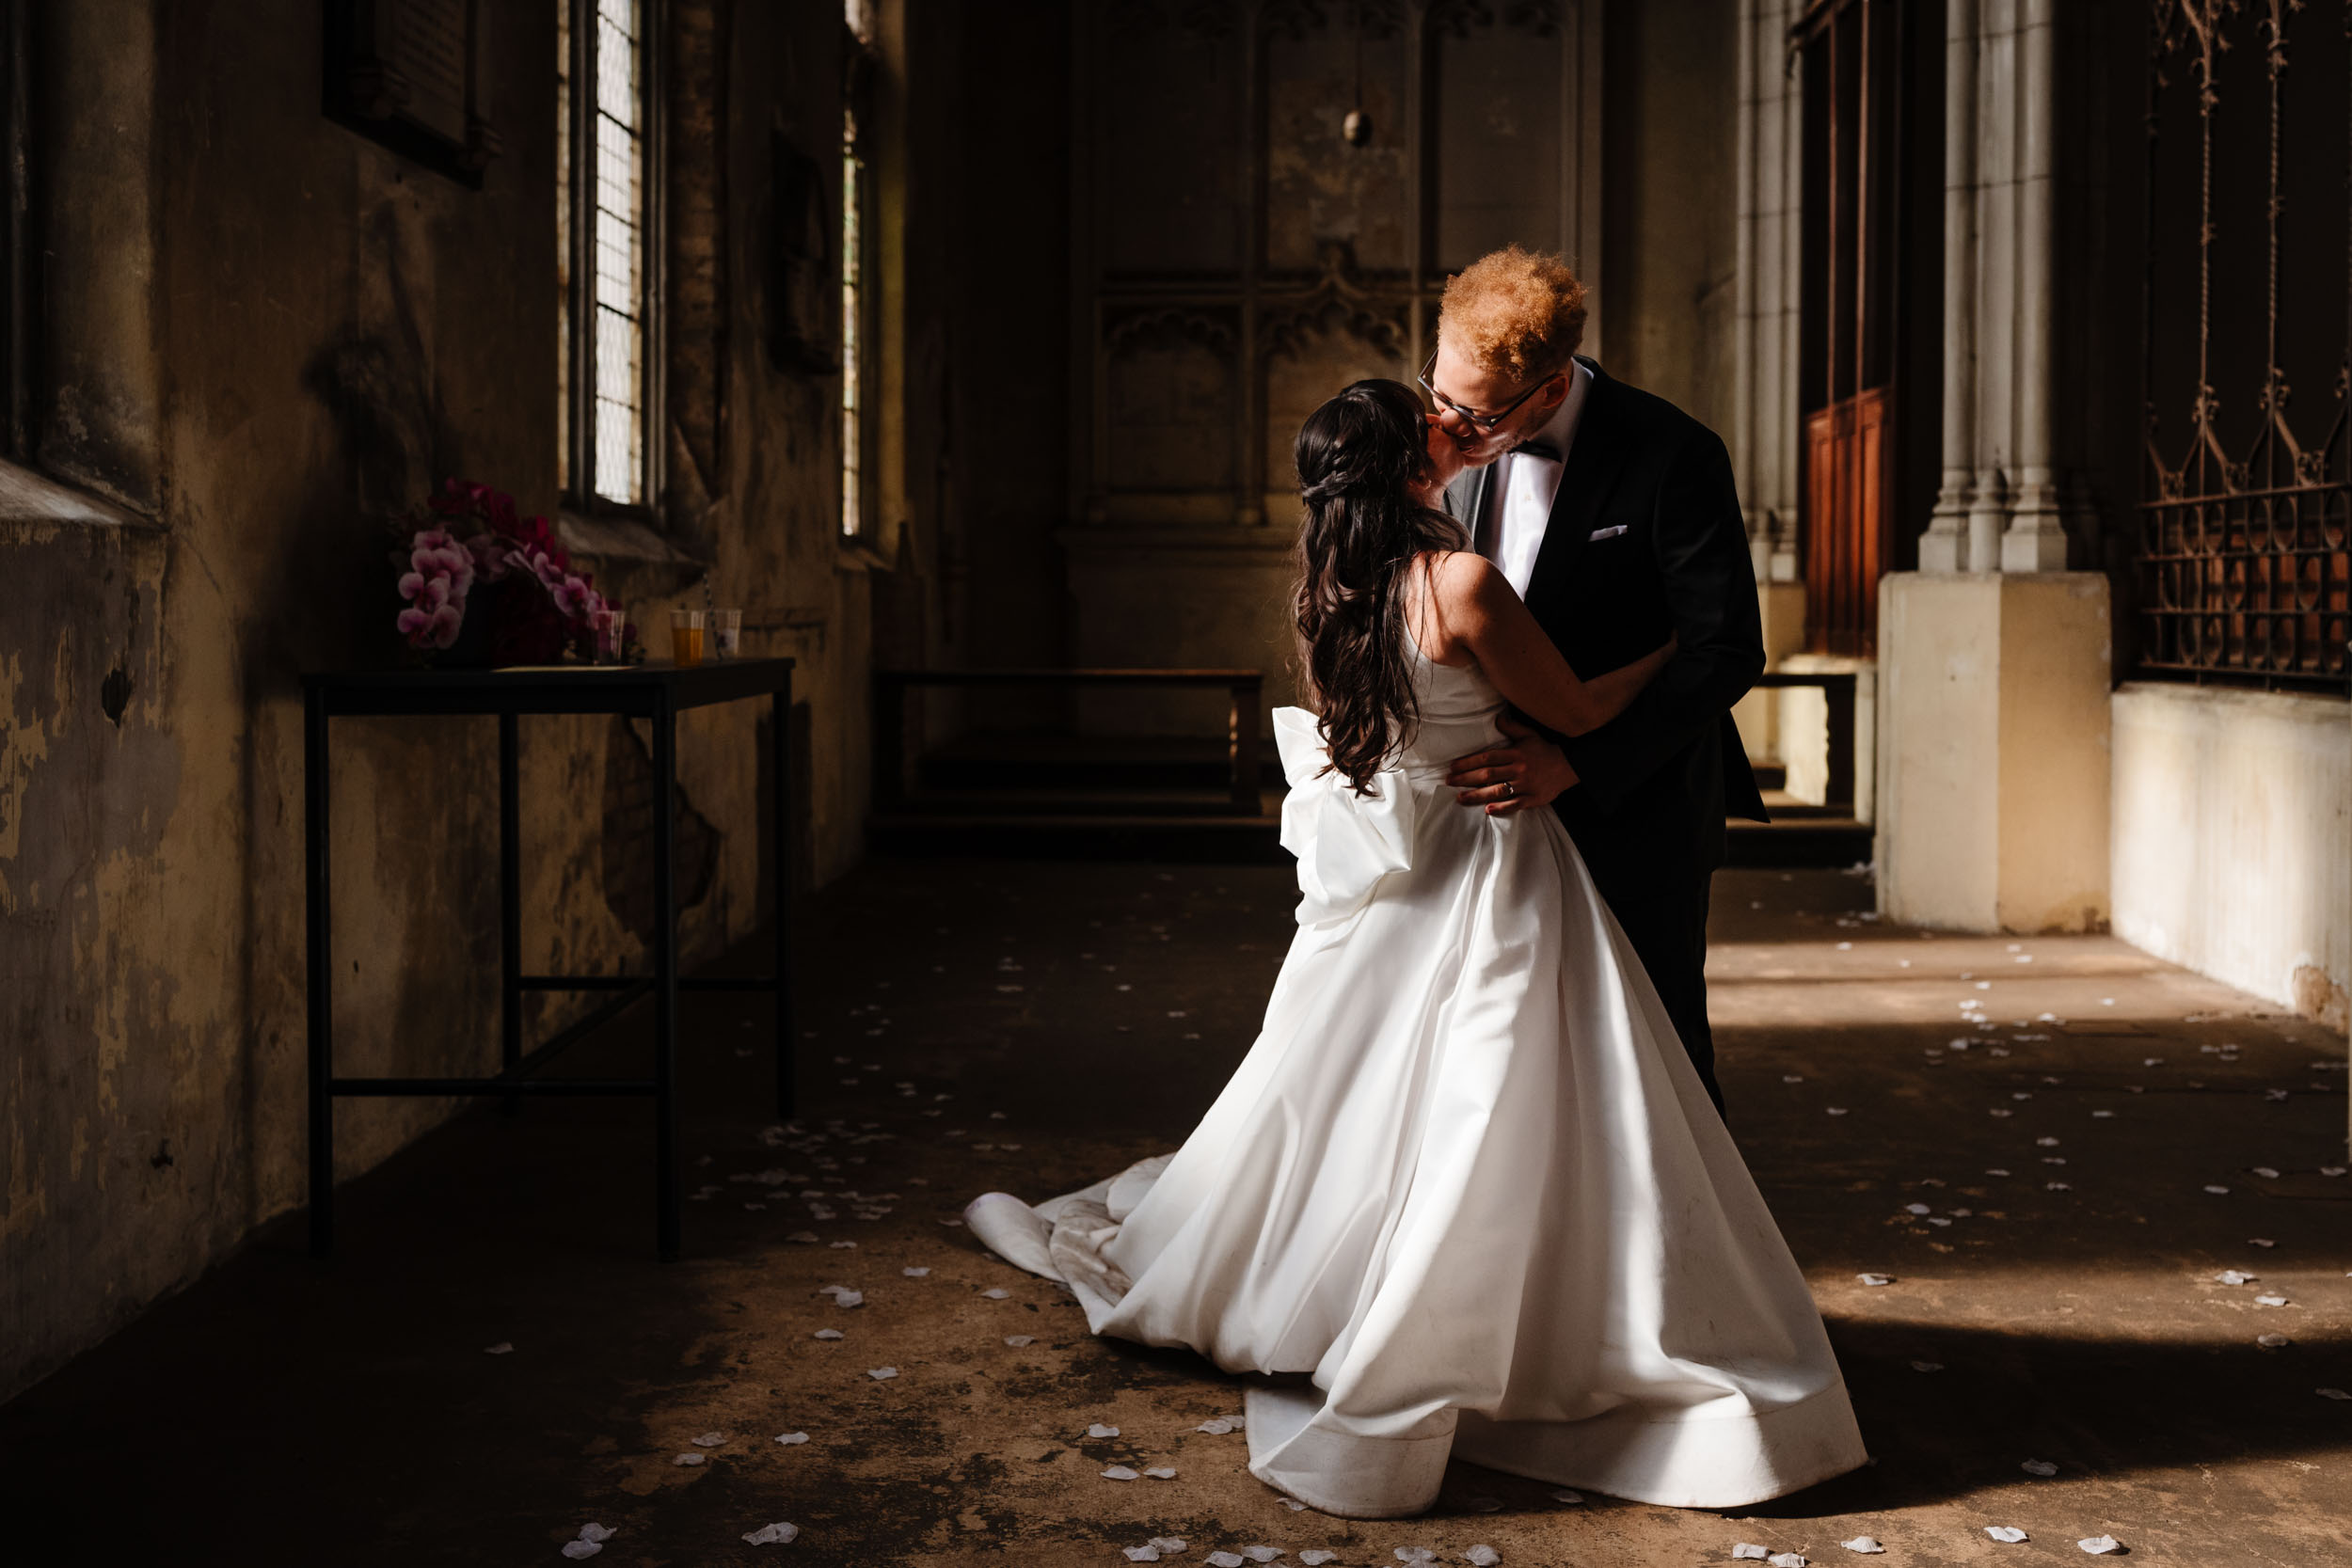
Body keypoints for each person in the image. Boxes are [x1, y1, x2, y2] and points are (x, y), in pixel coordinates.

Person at [961, 378, 1867, 1521]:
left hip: (1398, 865)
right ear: (1409, 468)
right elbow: (1577, 713)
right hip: (1488, 851)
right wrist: (1667, 653)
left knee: (1358, 1086)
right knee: (1500, 1077)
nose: (1452, 422)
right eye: (1431, 417)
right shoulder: (1463, 582)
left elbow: (1373, 734)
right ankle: (1509, 1313)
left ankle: (1353, 1284)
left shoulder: (1327, 588)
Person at [1426, 245, 1769, 1117]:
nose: (1450, 429)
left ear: (1550, 389)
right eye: (1439, 395)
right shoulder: (1445, 443)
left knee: (1654, 1058)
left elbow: (1725, 649)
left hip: (1637, 808)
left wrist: (1579, 763)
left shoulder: (1674, 453)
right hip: (1487, 815)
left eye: (1477, 414)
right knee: (1503, 1062)